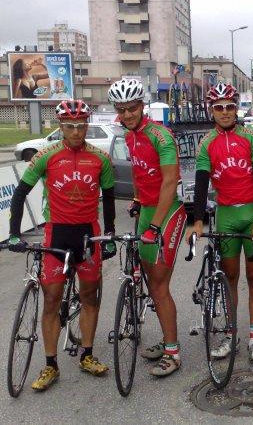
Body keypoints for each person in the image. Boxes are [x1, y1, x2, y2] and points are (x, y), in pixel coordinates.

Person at [8, 99, 116, 391]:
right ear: (60, 127)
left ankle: (87, 355)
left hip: (88, 234)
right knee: (52, 300)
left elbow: (108, 199)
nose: (76, 132)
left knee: (90, 297)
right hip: (56, 234)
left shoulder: (100, 158)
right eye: (70, 126)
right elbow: (20, 193)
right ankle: (50, 364)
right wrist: (15, 233)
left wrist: (110, 235)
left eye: (81, 126)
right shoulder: (46, 156)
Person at [186, 83, 253, 367]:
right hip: (225, 216)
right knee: (230, 279)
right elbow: (200, 184)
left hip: (251, 216)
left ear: (237, 108)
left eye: (229, 107)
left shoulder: (251, 139)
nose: (225, 112)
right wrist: (197, 221)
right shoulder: (207, 142)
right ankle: (231, 336)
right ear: (212, 111)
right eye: (219, 107)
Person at [108, 78, 186, 377]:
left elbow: (169, 181)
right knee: (147, 279)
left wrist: (154, 224)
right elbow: (143, 174)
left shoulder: (161, 136)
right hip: (148, 209)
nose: (127, 114)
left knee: (159, 285)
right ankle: (167, 341)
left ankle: (174, 352)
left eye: (132, 108)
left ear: (143, 106)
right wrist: (139, 199)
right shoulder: (129, 137)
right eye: (121, 109)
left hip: (168, 212)